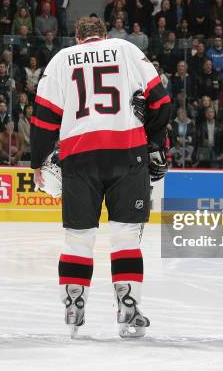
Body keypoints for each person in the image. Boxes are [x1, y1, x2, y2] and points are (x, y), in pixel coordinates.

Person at [30, 17, 171, 338]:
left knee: (78, 238)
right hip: (127, 152)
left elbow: (44, 117)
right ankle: (128, 304)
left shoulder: (61, 59)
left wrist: (37, 161)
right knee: (125, 235)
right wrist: (155, 142)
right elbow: (161, 101)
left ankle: (74, 303)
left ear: (78, 38)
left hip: (79, 156)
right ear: (104, 35)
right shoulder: (125, 48)